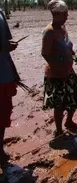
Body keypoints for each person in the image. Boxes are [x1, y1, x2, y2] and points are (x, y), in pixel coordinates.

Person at [42, 0, 77, 137]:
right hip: (56, 75)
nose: (67, 16)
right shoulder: (49, 31)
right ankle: (59, 130)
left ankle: (69, 121)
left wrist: (74, 54)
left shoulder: (63, 28)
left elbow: (67, 45)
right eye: (65, 14)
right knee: (59, 104)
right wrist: (58, 69)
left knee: (76, 97)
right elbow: (45, 53)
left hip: (68, 71)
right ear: (56, 14)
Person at [0, 9, 19, 166]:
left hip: (4, 73)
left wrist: (14, 72)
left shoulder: (0, 13)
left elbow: (6, 45)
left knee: (4, 113)